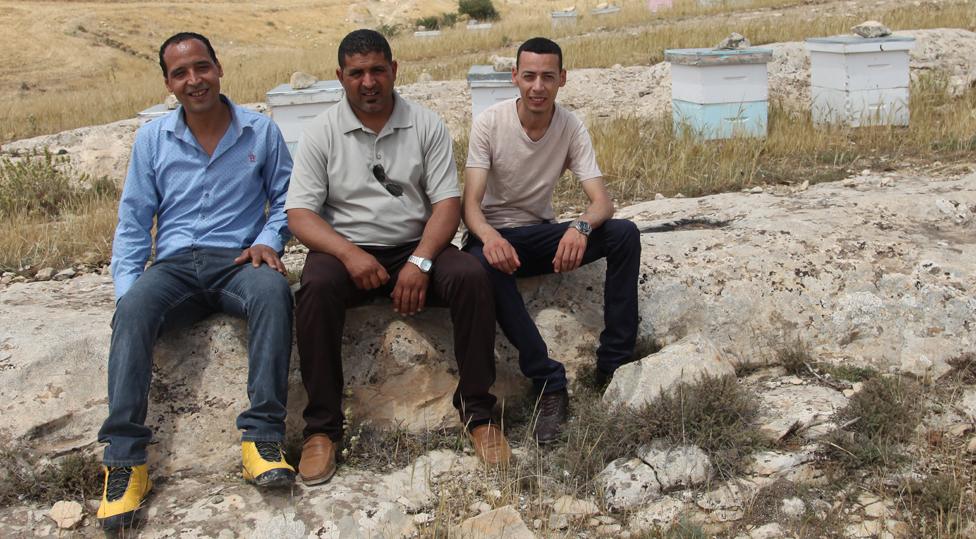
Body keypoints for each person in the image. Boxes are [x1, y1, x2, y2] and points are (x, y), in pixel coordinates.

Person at [285, 29, 511, 484]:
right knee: (315, 288)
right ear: (339, 77)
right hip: (348, 250)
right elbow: (301, 214)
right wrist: (349, 255)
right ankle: (322, 430)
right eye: (356, 73)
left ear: (394, 70)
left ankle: (479, 415)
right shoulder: (321, 132)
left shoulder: (425, 124)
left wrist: (421, 262)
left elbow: (447, 205)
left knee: (471, 276)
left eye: (377, 70)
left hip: (416, 244)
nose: (368, 82)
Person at [96, 32, 295, 530]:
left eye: (201, 67)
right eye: (181, 73)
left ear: (219, 68)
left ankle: (262, 439)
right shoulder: (152, 139)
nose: (194, 80)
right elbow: (135, 218)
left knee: (274, 292)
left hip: (237, 261)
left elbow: (288, 198)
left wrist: (269, 239)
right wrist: (129, 292)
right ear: (169, 82)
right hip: (175, 267)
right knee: (135, 309)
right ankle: (125, 463)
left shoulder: (260, 132)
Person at [462, 37, 641, 444]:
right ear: (514, 78)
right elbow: (469, 205)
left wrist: (579, 227)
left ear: (562, 79)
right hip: (494, 237)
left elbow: (602, 202)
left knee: (624, 235)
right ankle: (549, 382)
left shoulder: (570, 125)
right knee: (480, 264)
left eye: (547, 76)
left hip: (543, 235)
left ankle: (613, 364)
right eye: (529, 76)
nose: (537, 87)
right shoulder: (490, 122)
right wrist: (489, 236)